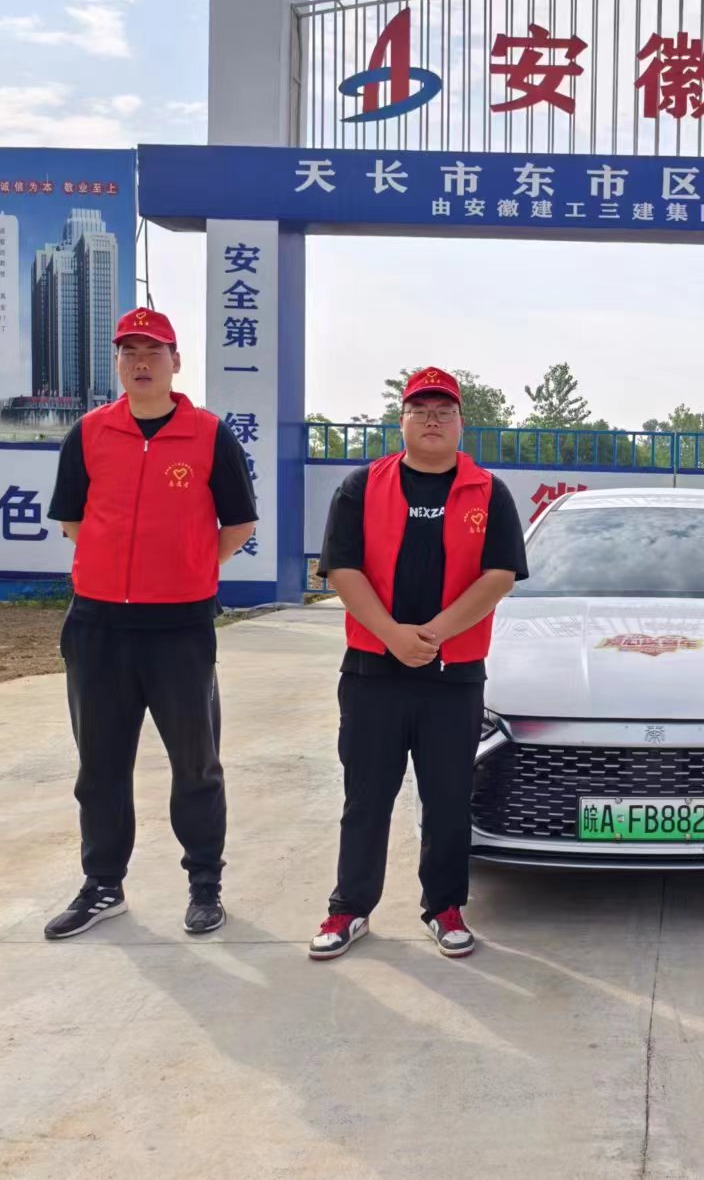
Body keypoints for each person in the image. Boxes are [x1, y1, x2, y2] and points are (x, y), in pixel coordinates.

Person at [42, 307, 258, 940]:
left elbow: (239, 523)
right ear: (116, 362)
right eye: (129, 352)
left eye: (153, 351)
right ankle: (103, 885)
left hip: (179, 630)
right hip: (98, 626)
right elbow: (74, 520)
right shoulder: (89, 433)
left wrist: (187, 569)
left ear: (175, 362)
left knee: (196, 764)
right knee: (100, 767)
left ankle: (205, 886)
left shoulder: (209, 436)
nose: (141, 363)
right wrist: (115, 571)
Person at [309, 366, 527, 962]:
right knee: (366, 796)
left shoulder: (489, 492)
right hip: (372, 673)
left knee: (448, 797)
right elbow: (343, 569)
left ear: (460, 423)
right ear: (401, 420)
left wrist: (431, 635)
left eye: (444, 411)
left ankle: (445, 907)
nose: (433, 420)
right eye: (421, 410)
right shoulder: (361, 486)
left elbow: (499, 576)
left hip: (453, 676)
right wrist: (391, 636)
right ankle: (349, 908)